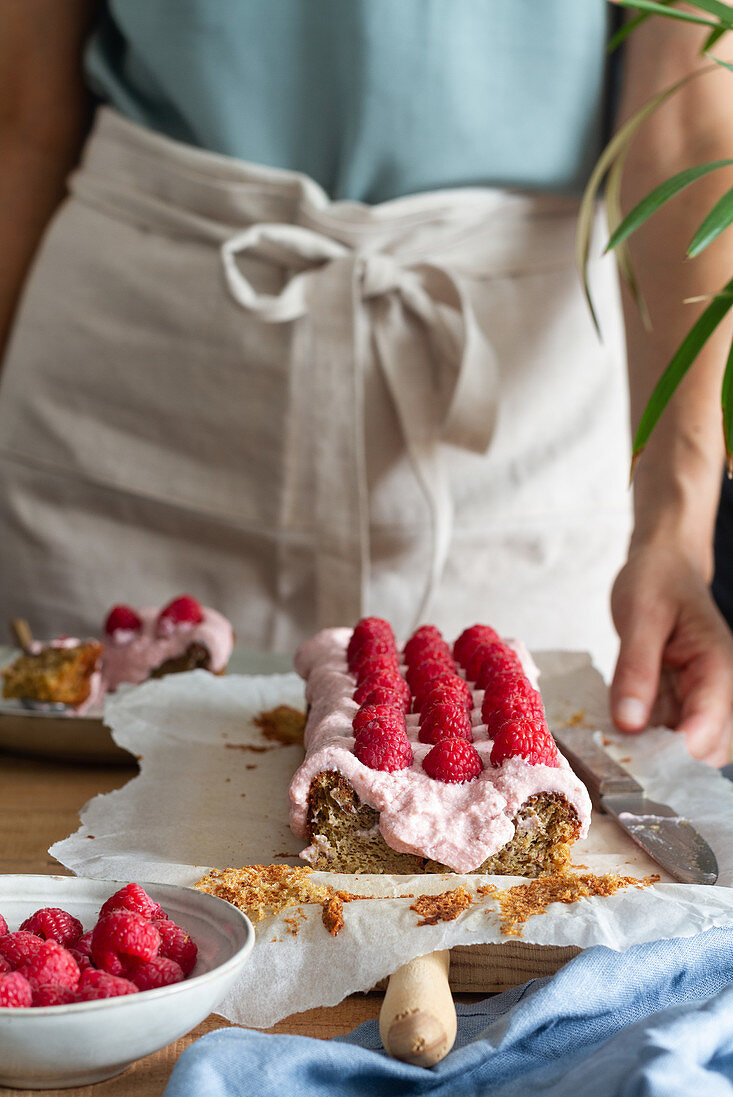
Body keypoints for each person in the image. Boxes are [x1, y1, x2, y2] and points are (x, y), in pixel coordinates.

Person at [1, 1, 732, 763]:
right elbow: (19, 104)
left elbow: (687, 102)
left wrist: (675, 531)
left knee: (512, 855)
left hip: (517, 416)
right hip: (131, 385)